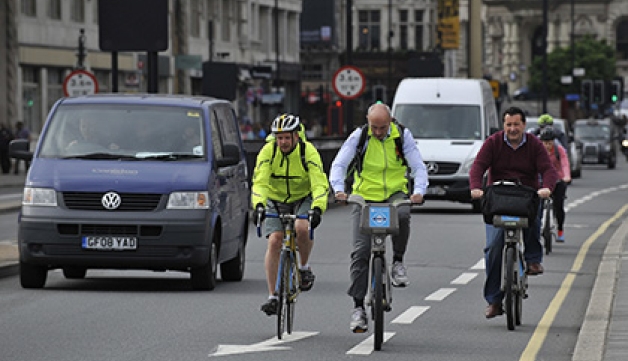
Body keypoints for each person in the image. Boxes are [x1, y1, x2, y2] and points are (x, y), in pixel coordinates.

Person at [329, 102, 428, 333]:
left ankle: (398, 262)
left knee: (403, 215)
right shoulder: (360, 136)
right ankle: (358, 308)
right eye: (374, 127)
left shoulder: (402, 136)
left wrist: (419, 191)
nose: (378, 132)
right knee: (360, 252)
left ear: (390, 121)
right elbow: (339, 164)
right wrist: (339, 189)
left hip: (395, 194)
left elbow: (418, 166)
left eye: (382, 127)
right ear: (367, 121)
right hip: (364, 196)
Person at [469, 106, 559, 319]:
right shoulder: (493, 143)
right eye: (508, 124)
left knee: (534, 217)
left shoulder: (535, 145)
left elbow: (548, 170)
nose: (512, 128)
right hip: (498, 198)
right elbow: (478, 167)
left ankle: (533, 259)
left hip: (525, 196)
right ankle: (494, 300)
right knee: (493, 247)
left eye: (516, 124)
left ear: (524, 125)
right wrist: (475, 187)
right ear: (504, 125)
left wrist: (546, 188)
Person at [251, 113, 329, 316]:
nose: (283, 142)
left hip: (302, 197)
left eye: (287, 137)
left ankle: (303, 267)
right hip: (274, 199)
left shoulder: (307, 151)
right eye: (279, 138)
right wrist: (258, 205)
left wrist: (318, 207)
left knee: (301, 227)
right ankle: (273, 296)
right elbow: (260, 181)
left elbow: (319, 181)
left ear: (296, 136)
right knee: (275, 241)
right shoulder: (268, 151)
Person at [539, 126, 571, 242]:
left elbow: (565, 163)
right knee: (537, 205)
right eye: (545, 143)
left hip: (558, 179)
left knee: (558, 206)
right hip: (542, 180)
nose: (547, 146)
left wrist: (566, 176)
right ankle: (537, 228)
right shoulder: (538, 151)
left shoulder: (559, 149)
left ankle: (560, 230)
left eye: (550, 143)